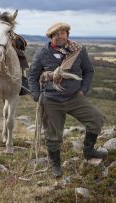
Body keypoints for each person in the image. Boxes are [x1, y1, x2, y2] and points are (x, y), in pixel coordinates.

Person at [28, 22, 107, 178]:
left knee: (96, 119)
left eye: (63, 33)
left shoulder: (78, 51)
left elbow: (89, 71)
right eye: (56, 34)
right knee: (53, 135)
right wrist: (36, 95)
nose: (60, 36)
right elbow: (32, 76)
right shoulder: (42, 53)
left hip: (74, 97)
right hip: (51, 99)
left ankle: (89, 150)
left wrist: (83, 90)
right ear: (51, 37)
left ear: (67, 35)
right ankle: (55, 165)